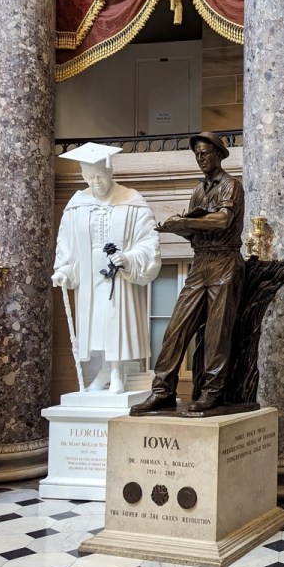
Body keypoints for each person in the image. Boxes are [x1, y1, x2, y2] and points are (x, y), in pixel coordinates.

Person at [131, 132, 245, 414]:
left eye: (205, 153)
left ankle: (213, 393)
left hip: (224, 262)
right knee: (175, 329)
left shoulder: (231, 186)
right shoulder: (199, 190)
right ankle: (162, 391)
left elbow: (222, 220)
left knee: (217, 334)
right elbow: (198, 232)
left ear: (219, 154)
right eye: (197, 154)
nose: (200, 158)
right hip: (201, 263)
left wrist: (184, 220)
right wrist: (178, 228)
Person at [52, 142, 161, 394]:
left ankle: (117, 371)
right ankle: (103, 371)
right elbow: (66, 243)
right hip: (89, 273)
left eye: (100, 176)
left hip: (120, 275)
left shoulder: (132, 200)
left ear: (111, 172)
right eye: (90, 178)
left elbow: (149, 240)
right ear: (82, 176)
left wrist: (130, 258)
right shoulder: (76, 203)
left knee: (117, 320)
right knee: (97, 322)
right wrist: (64, 269)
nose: (96, 182)